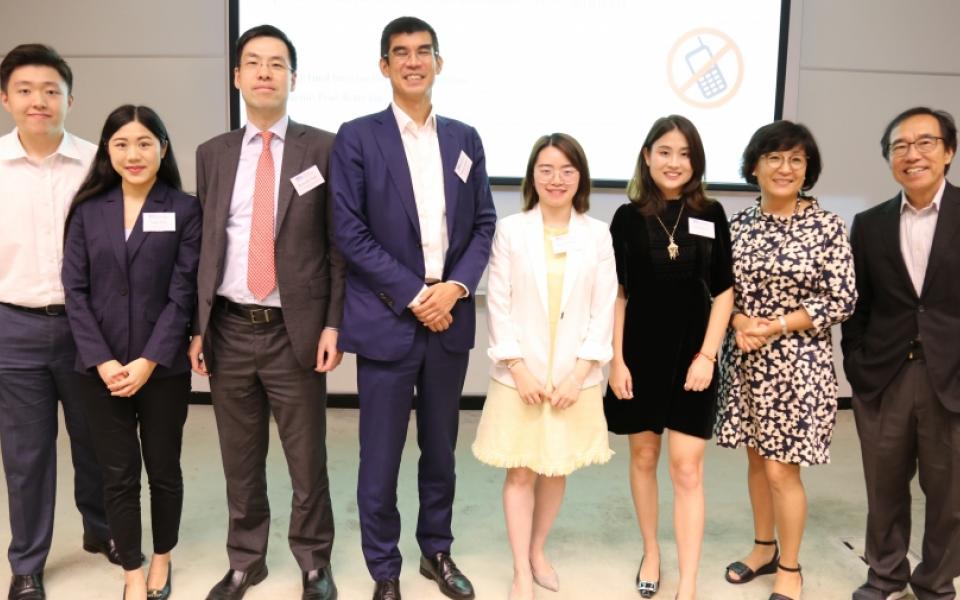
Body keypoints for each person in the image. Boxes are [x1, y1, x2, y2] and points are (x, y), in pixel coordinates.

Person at [330, 16, 496, 600]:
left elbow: (483, 223)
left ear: (438, 63)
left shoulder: (464, 138)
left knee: (441, 451)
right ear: (384, 66)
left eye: (424, 52)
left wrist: (454, 288)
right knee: (378, 457)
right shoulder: (357, 137)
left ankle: (437, 551)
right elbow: (348, 231)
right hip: (388, 318)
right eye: (400, 53)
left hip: (449, 316)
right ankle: (384, 569)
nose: (413, 61)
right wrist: (414, 293)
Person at [189, 25, 344, 600]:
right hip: (228, 328)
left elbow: (338, 248)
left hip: (294, 332)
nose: (263, 72)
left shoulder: (323, 149)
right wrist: (196, 327)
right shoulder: (213, 154)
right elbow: (203, 245)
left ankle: (312, 561)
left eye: (276, 64)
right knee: (239, 458)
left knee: (307, 459)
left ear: (293, 78)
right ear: (236, 76)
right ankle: (246, 560)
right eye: (252, 62)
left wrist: (333, 323)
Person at [62, 104, 199, 600]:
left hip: (161, 369)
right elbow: (74, 291)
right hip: (99, 371)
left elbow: (183, 293)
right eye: (121, 143)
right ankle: (133, 570)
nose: (133, 153)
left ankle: (163, 558)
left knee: (163, 469)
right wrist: (103, 361)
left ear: (163, 149)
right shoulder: (86, 210)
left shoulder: (184, 209)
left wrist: (148, 360)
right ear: (107, 151)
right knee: (117, 475)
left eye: (145, 143)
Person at [715, 120, 856, 600]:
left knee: (781, 470)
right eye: (774, 157)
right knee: (757, 463)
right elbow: (718, 290)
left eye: (797, 159)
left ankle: (791, 567)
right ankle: (763, 548)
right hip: (746, 362)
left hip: (798, 367)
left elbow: (842, 299)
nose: (785, 167)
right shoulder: (738, 225)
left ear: (807, 169)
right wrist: (736, 322)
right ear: (754, 166)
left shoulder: (826, 226)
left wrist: (774, 326)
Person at [472, 133, 615, 600]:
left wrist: (578, 375)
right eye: (547, 169)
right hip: (521, 375)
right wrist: (518, 367)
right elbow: (499, 302)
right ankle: (519, 571)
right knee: (520, 471)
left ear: (581, 178)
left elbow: (604, 306)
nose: (557, 179)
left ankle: (538, 551)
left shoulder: (596, 234)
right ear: (533, 175)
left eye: (567, 171)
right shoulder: (512, 230)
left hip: (575, 378)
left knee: (556, 469)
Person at [0, 43, 114, 600]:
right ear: (5, 98)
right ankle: (27, 563)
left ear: (71, 98)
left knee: (96, 440)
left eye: (51, 90)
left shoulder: (99, 165)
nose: (38, 101)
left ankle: (102, 530)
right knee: (26, 455)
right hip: (13, 327)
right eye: (25, 90)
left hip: (86, 327)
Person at [604, 115, 733, 600]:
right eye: (664, 151)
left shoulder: (712, 212)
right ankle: (652, 551)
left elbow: (724, 292)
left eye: (683, 153)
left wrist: (707, 356)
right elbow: (617, 294)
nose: (673, 162)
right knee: (642, 455)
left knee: (686, 467)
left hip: (692, 354)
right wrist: (616, 360)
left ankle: (690, 581)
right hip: (639, 353)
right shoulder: (626, 217)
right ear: (647, 156)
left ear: (695, 161)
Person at [842, 107, 960, 600]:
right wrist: (856, 362)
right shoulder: (869, 224)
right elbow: (858, 304)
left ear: (949, 152)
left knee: (950, 495)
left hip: (951, 376)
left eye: (925, 142)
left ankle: (935, 582)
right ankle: (886, 576)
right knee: (884, 488)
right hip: (885, 375)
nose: (912, 154)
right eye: (900, 147)